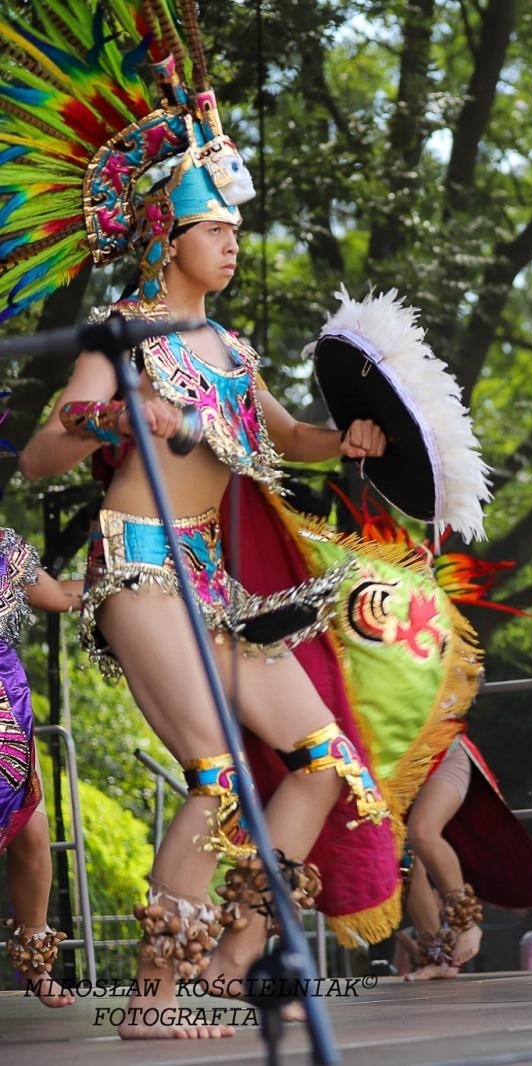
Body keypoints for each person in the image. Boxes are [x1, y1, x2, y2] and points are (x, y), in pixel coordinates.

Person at [7, 10, 474, 1034]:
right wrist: (115, 412)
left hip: (217, 586)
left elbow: (281, 439)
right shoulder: (125, 336)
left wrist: (343, 439)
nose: (233, 240)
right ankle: (152, 997)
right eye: (218, 227)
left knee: (326, 763)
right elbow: (44, 452)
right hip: (137, 576)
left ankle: (234, 952)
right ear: (170, 238)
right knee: (216, 772)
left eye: (234, 227)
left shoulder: (229, 346)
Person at [0, 530, 82, 1008]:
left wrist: (129, 583)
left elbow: (55, 595)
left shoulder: (4, 548)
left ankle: (36, 962)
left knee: (32, 834)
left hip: (6, 706)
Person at [403, 735, 532, 981]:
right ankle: (438, 958)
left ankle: (465, 924)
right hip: (392, 773)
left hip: (441, 750)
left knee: (422, 831)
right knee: (402, 858)